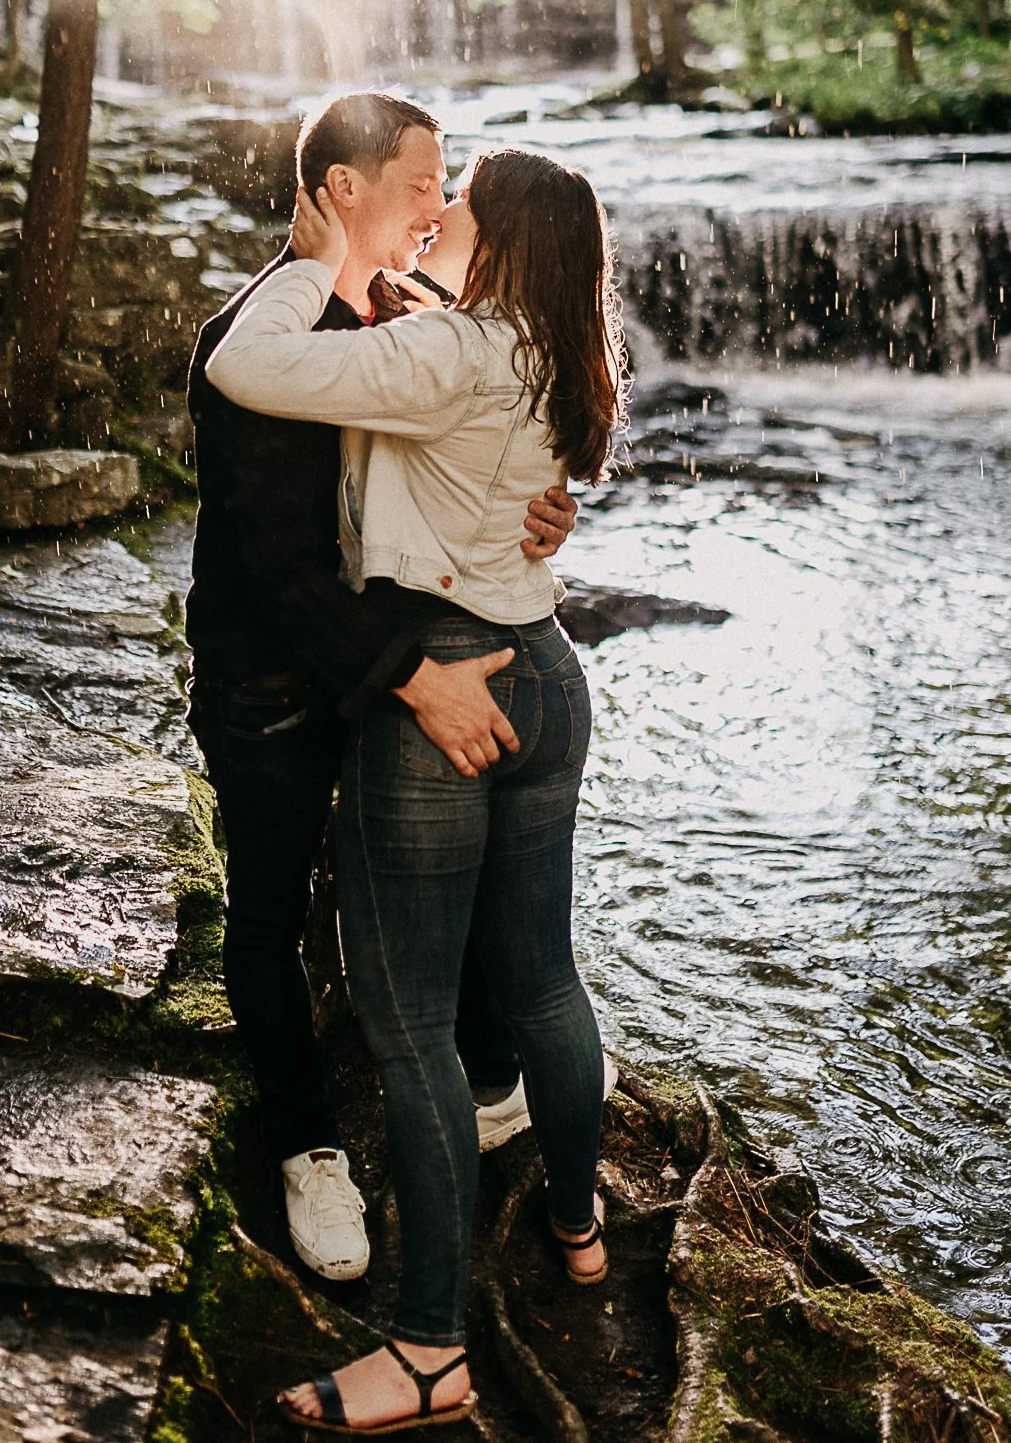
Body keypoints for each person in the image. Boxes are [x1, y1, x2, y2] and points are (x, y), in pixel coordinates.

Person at [206, 147, 628, 1435]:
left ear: (495, 246)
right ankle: (577, 1222)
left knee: (410, 1026)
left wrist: (318, 256)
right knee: (545, 977)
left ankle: (433, 1347)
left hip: (447, 684)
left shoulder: (449, 356)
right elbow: (509, 449)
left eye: (462, 205)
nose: (440, 215)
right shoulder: (558, 350)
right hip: (549, 672)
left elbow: (242, 364)